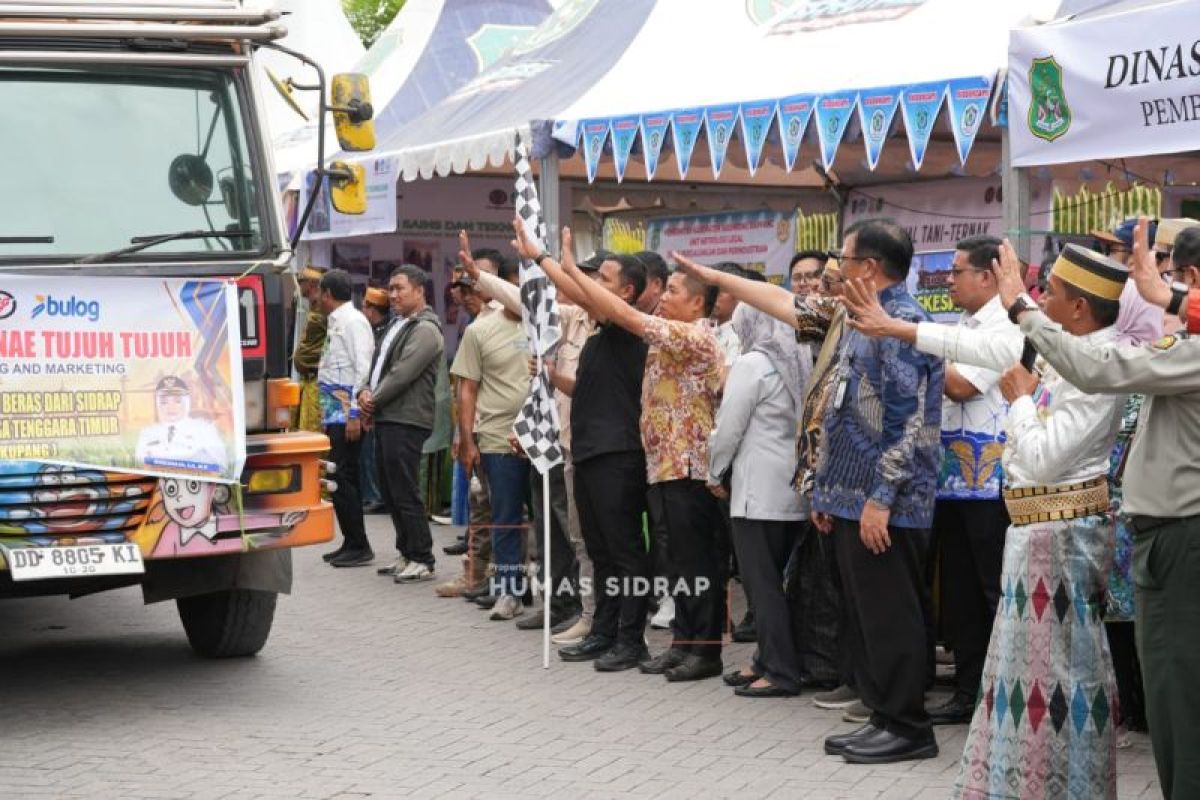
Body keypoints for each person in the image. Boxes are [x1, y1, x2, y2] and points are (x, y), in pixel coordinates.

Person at [845, 240, 1130, 795]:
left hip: (1063, 538)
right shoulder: (1063, 346)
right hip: (1036, 534)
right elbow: (972, 343)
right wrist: (896, 329)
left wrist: (1020, 400)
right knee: (1023, 679)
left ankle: (1065, 786)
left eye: (1054, 294)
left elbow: (1045, 456)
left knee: (1060, 680)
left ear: (1078, 308)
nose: (1041, 303)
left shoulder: (1096, 365)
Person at [1016, 217, 1200, 799]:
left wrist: (1021, 311)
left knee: (1178, 701)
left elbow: (1097, 371)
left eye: (1171, 272)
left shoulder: (1189, 354)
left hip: (1180, 539)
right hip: (1170, 535)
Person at [516, 221, 724, 681]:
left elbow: (610, 307)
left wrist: (553, 262)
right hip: (651, 462)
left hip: (666, 462)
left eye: (671, 290)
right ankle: (633, 635)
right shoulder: (622, 336)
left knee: (663, 559)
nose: (663, 295)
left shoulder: (683, 336)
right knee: (610, 552)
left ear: (696, 302)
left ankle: (660, 643)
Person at [519, 242, 652, 670]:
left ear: (626, 292)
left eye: (603, 280)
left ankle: (632, 640)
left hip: (619, 454)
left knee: (624, 550)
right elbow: (589, 389)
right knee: (600, 551)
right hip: (591, 450)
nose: (592, 286)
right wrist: (554, 376)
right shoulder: (597, 334)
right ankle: (604, 631)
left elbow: (577, 294)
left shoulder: (628, 326)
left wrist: (546, 260)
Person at [899, 236, 1015, 726]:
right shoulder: (966, 324)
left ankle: (1000, 696)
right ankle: (968, 691)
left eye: (958, 271)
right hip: (953, 478)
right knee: (963, 596)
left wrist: (912, 343)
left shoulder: (1003, 324)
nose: (949, 280)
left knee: (991, 591)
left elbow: (963, 385)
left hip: (989, 482)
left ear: (987, 276)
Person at [456, 231, 585, 633]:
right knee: (539, 530)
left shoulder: (595, 321)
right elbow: (520, 301)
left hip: (574, 446)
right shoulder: (555, 319)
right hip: (530, 441)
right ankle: (550, 604)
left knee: (570, 535)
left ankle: (582, 611)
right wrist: (479, 277)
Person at [710, 303, 811, 697]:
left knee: (762, 585)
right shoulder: (799, 357)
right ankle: (765, 661)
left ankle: (780, 672)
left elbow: (729, 425)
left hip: (756, 492)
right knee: (776, 583)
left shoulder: (754, 363)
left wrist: (714, 470)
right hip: (792, 488)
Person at [450, 255, 531, 622]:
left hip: (545, 441)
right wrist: (467, 440)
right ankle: (509, 592)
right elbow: (467, 389)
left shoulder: (548, 325)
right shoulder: (480, 330)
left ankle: (553, 596)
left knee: (551, 523)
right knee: (506, 517)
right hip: (498, 439)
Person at [358, 265, 444, 583]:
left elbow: (402, 374)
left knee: (405, 490)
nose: (392, 295)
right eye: (390, 288)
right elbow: (380, 367)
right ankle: (406, 552)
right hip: (388, 415)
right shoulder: (400, 324)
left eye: (399, 289)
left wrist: (372, 400)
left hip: (406, 419)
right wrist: (366, 392)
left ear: (420, 291)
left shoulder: (426, 329)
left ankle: (422, 557)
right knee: (392, 491)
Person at [315, 269, 375, 568]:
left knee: (344, 477)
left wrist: (353, 413)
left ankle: (359, 545)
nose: (317, 298)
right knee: (338, 477)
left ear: (327, 293)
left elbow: (362, 369)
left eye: (319, 292)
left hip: (346, 413)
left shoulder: (353, 322)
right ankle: (351, 541)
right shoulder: (337, 320)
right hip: (334, 412)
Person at [134, 376, 228, 474]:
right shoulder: (147, 433)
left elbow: (221, 466)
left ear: (186, 403)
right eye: (164, 402)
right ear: (158, 404)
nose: (171, 407)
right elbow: (139, 465)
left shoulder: (204, 429)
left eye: (177, 401)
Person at [359, 287, 390, 514]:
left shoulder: (383, 333)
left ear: (372, 309)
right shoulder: (375, 330)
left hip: (378, 397)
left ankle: (376, 495)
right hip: (370, 395)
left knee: (372, 450)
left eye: (365, 306)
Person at [292, 266, 326, 434]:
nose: (299, 285)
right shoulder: (313, 307)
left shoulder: (323, 308)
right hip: (307, 380)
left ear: (312, 284)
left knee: (311, 431)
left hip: (316, 380)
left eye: (301, 282)